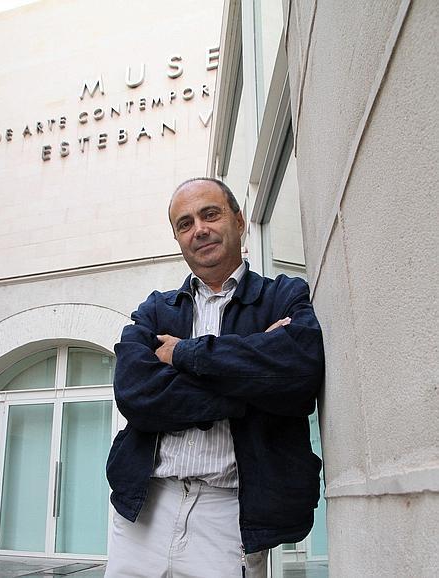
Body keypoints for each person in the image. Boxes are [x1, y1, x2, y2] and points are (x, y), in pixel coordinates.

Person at [105, 178, 324, 578]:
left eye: (210, 214)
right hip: (144, 510)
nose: (199, 229)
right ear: (177, 238)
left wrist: (184, 353)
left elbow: (298, 371)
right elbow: (135, 393)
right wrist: (250, 380)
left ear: (239, 222)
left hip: (231, 513)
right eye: (184, 223)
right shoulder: (156, 310)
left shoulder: (283, 296)